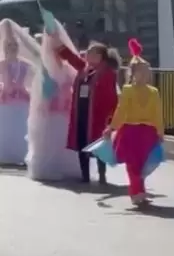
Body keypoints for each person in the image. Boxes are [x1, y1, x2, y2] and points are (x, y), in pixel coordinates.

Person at [104, 39, 164, 207]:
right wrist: (112, 127)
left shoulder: (154, 92)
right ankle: (135, 191)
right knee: (132, 163)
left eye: (146, 72)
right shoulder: (128, 90)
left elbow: (157, 113)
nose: (144, 75)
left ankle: (140, 190)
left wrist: (160, 132)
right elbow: (121, 111)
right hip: (130, 131)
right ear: (132, 73)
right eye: (140, 72)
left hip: (147, 133)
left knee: (144, 163)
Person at [58, 39, 119, 185]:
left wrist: (110, 118)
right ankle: (85, 176)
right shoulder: (85, 69)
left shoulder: (107, 72)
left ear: (99, 56)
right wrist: (57, 42)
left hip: (97, 116)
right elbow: (72, 59)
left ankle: (102, 175)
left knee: (98, 146)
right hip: (82, 113)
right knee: (81, 144)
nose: (87, 54)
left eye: (90, 52)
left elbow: (110, 96)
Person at [27, 28, 82, 181]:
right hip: (51, 111)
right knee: (51, 140)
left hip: (66, 110)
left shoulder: (68, 69)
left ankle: (67, 167)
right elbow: (40, 92)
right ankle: (49, 168)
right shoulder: (45, 69)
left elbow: (75, 83)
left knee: (65, 140)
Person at [0, 20, 35, 166]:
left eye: (14, 45)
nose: (12, 48)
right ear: (4, 48)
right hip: (5, 98)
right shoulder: (1, 64)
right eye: (9, 46)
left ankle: (22, 154)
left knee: (21, 127)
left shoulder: (25, 64)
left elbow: (32, 79)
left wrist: (23, 88)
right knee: (6, 127)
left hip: (21, 99)